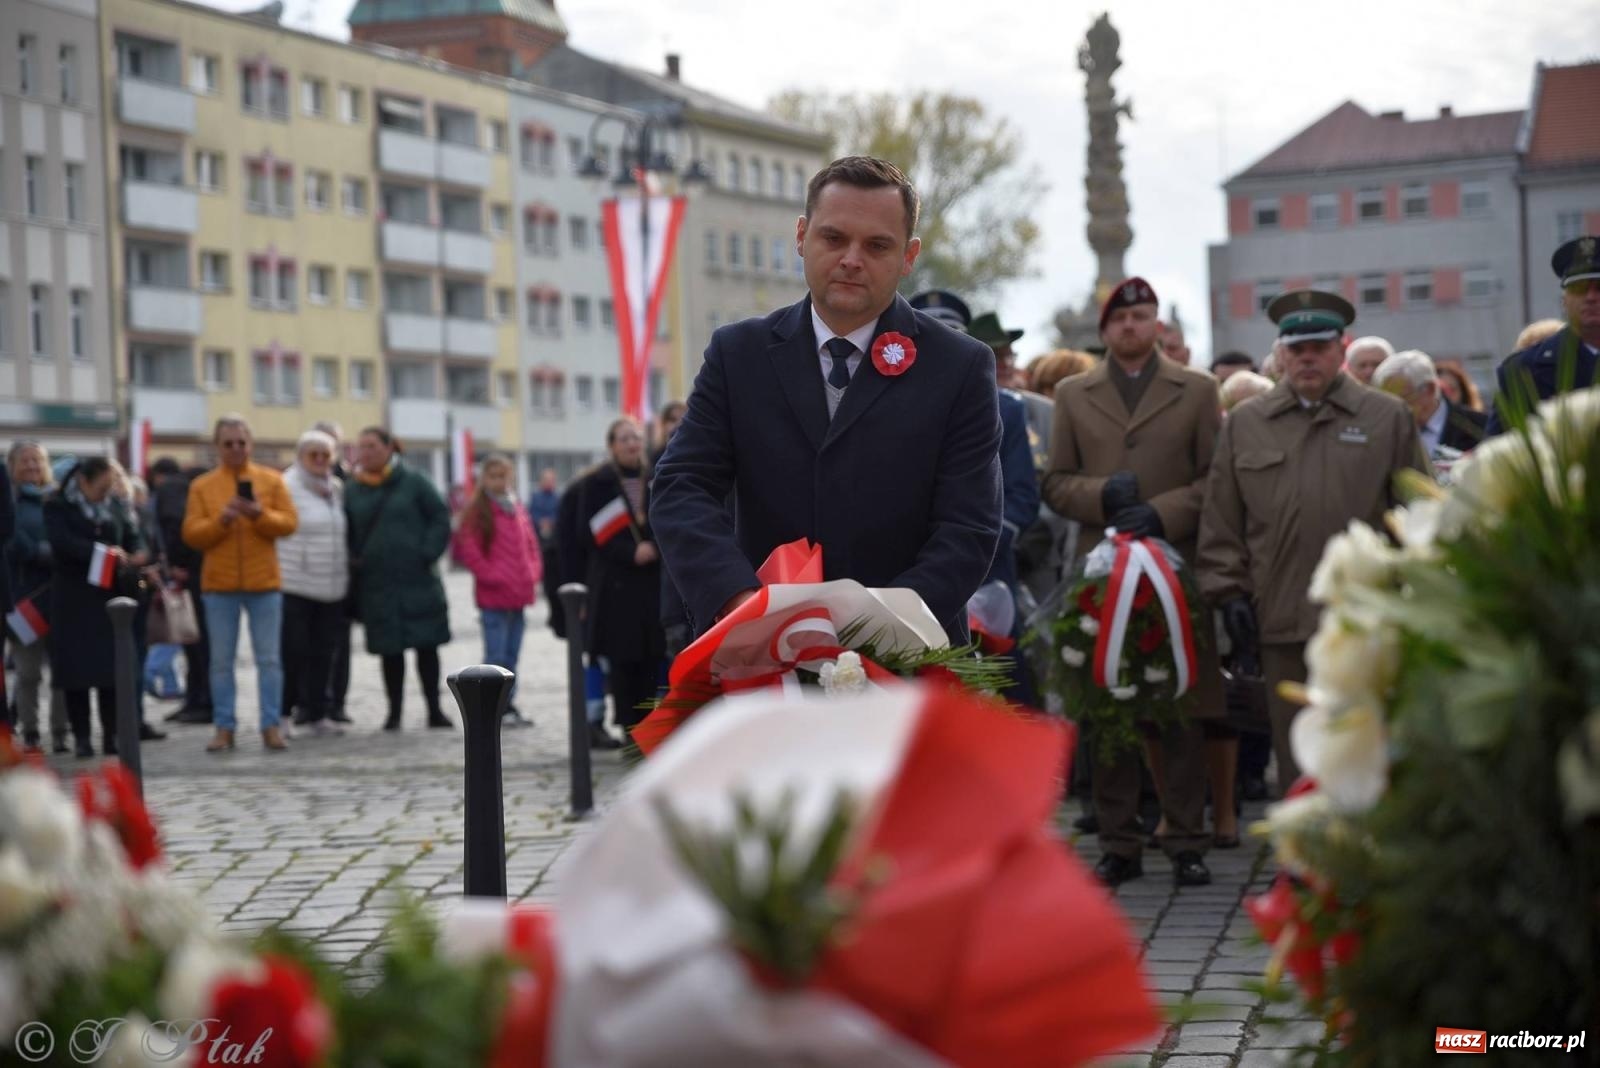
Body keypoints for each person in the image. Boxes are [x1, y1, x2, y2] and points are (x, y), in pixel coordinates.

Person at [652, 156, 1002, 644]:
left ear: (909, 255)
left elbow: (970, 526)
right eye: (833, 238)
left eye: (877, 245)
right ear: (801, 235)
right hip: (760, 653)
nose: (851, 259)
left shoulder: (959, 366)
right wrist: (738, 602)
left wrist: (880, 631)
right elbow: (681, 486)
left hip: (908, 658)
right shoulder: (739, 354)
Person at [1199, 290, 1428, 794]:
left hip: (1363, 619)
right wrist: (1230, 592)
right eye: (1296, 348)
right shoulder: (1246, 423)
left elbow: (1417, 514)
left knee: (1369, 754)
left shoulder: (1386, 417)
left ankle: (1367, 866)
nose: (1307, 358)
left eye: (1319, 347)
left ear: (1340, 349)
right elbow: (1221, 522)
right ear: (1280, 353)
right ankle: (1301, 867)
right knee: (1296, 755)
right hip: (1280, 617)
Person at [1043, 276, 1224, 888]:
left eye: (1143, 316)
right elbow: (1057, 481)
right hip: (1102, 573)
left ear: (1159, 326)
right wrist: (1101, 496)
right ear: (1103, 330)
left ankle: (1186, 840)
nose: (1131, 326)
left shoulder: (1198, 391)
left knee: (1178, 711)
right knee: (1108, 711)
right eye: (1120, 319)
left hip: (1173, 569)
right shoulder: (1073, 393)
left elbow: (1215, 479)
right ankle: (1119, 843)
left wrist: (1164, 511)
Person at [182, 416, 297, 753]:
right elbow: (192, 534)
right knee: (220, 661)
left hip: (264, 583)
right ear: (217, 447)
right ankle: (224, 727)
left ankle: (271, 725)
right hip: (219, 585)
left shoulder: (271, 480)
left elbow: (289, 523)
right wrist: (223, 519)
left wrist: (259, 514)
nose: (236, 449)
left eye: (241, 443)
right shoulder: (202, 486)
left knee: (269, 660)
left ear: (251, 444)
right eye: (228, 443)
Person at [344, 427, 453, 730]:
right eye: (361, 447)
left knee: (426, 646)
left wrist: (427, 553)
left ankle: (434, 708)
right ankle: (394, 712)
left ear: (390, 448)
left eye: (372, 446)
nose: (366, 452)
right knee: (390, 651)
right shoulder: (353, 489)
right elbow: (348, 531)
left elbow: (440, 517)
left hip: (417, 579)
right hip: (377, 583)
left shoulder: (414, 482)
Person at [44, 457, 145, 757]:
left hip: (108, 600)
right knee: (76, 674)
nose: (105, 493)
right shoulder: (57, 506)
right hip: (73, 599)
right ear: (83, 482)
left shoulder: (115, 507)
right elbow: (61, 543)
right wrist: (101, 552)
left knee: (109, 672)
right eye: (100, 487)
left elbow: (132, 537)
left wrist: (134, 553)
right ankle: (82, 737)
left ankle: (110, 735)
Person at [574, 419, 663, 738]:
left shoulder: (658, 476)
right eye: (624, 439)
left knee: (652, 660)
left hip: (652, 585)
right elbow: (589, 532)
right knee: (622, 663)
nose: (631, 444)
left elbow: (669, 516)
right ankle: (629, 727)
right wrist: (629, 552)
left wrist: (655, 546)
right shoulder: (597, 483)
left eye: (636, 438)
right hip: (615, 587)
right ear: (611, 445)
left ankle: (649, 726)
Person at [452, 452, 543, 727]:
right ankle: (490, 707)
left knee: (513, 654)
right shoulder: (478, 510)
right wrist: (493, 574)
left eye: (503, 475)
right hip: (494, 595)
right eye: (493, 476)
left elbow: (531, 545)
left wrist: (533, 572)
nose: (499, 481)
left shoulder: (516, 507)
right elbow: (469, 550)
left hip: (518, 594)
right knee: (496, 655)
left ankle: (508, 704)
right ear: (484, 479)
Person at [1487, 236, 1600, 435]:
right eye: (1579, 288)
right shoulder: (1523, 372)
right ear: (1564, 301)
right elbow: (1497, 457)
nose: (1591, 297)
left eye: (1599, 287)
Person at [278, 430, 350, 736]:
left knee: (325, 652)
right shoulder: (286, 486)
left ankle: (319, 713)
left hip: (332, 582)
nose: (320, 460)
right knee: (293, 652)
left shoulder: (335, 487)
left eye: (326, 455)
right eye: (314, 455)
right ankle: (283, 714)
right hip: (296, 581)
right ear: (301, 456)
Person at [6, 442, 67, 752]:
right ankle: (30, 730)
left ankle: (60, 731)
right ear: (13, 464)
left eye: (38, 460)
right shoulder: (11, 499)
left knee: (62, 671)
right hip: (25, 596)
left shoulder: (59, 497)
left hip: (60, 596)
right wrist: (48, 554)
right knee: (28, 672)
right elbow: (14, 541)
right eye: (25, 460)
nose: (32, 466)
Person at [151, 457, 212, 725]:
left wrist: (177, 563)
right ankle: (195, 699)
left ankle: (201, 701)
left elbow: (175, 526)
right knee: (195, 640)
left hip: (192, 573)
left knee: (196, 642)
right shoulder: (192, 486)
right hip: (204, 570)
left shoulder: (170, 489)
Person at [1372, 349, 1487, 472]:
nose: (1391, 409)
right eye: (1385, 401)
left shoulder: (1481, 426)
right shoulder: (1380, 432)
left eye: (1400, 400)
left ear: (1429, 389)